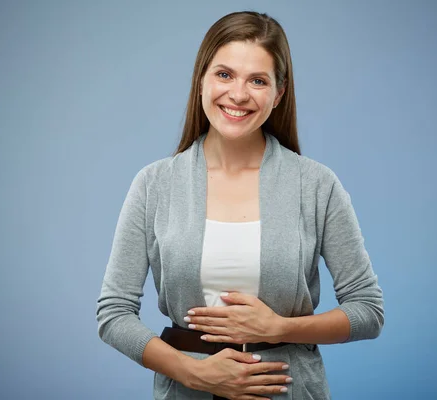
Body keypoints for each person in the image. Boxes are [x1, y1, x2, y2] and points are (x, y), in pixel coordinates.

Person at [96, 11, 384, 400]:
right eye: (225, 74)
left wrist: (279, 328)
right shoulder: (154, 184)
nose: (238, 94)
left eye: (258, 81)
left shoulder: (316, 185)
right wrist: (193, 373)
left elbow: (367, 311)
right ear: (202, 79)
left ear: (279, 94)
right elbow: (113, 315)